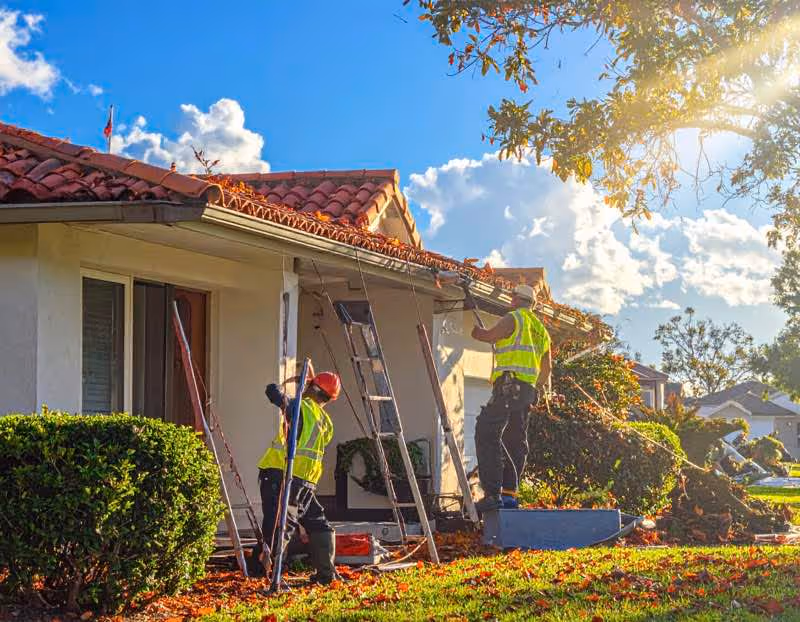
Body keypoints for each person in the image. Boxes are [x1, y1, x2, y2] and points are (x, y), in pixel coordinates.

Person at [250, 364, 342, 584]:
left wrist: (284, 386)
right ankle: (326, 574)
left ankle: (268, 575)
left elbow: (272, 392)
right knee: (318, 523)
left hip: (281, 476)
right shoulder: (325, 422)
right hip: (307, 482)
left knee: (278, 525)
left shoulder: (301, 407)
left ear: (312, 387)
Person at [470, 283, 552, 512]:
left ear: (516, 299)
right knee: (515, 439)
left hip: (508, 386)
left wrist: (477, 332)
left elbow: (489, 336)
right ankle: (509, 494)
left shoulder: (514, 318)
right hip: (526, 391)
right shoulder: (541, 330)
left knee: (487, 432)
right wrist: (533, 389)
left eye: (512, 297)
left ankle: (492, 494)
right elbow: (546, 370)